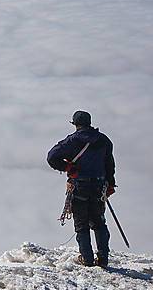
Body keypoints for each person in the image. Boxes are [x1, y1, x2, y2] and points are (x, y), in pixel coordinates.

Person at [47, 110, 116, 267]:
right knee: (99, 223)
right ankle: (103, 258)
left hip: (79, 187)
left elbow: (52, 157)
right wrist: (110, 184)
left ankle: (86, 258)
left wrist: (68, 168)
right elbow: (109, 165)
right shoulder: (104, 140)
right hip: (99, 187)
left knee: (81, 224)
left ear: (75, 124)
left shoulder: (73, 141)